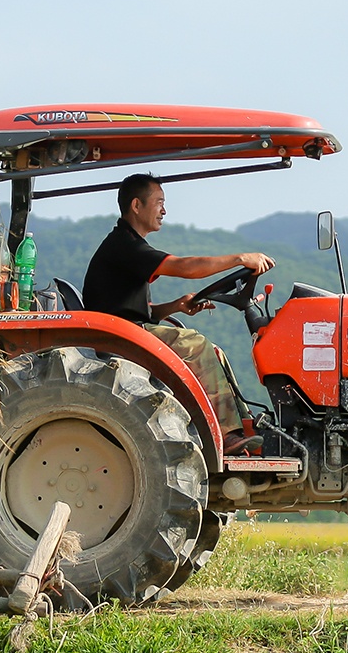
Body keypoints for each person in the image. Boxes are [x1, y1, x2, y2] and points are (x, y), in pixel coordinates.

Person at [82, 174, 275, 454]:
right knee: (196, 345)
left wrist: (175, 305)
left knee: (215, 352)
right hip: (120, 338)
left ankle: (245, 427)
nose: (164, 210)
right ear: (137, 205)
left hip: (128, 330)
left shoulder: (128, 245)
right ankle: (226, 435)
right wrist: (239, 259)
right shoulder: (124, 245)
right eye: (159, 202)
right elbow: (184, 267)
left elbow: (134, 309)